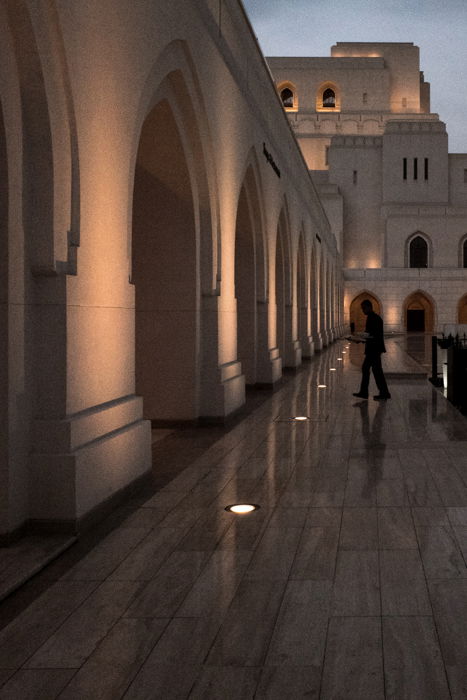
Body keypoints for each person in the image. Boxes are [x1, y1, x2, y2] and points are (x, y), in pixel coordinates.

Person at [351, 299, 391, 401]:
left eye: (364, 308)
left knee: (374, 370)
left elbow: (373, 335)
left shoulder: (374, 318)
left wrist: (361, 339)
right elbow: (369, 334)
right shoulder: (372, 317)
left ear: (369, 307)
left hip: (374, 349)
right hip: (373, 348)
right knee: (371, 369)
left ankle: (381, 393)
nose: (363, 310)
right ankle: (373, 392)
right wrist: (360, 339)